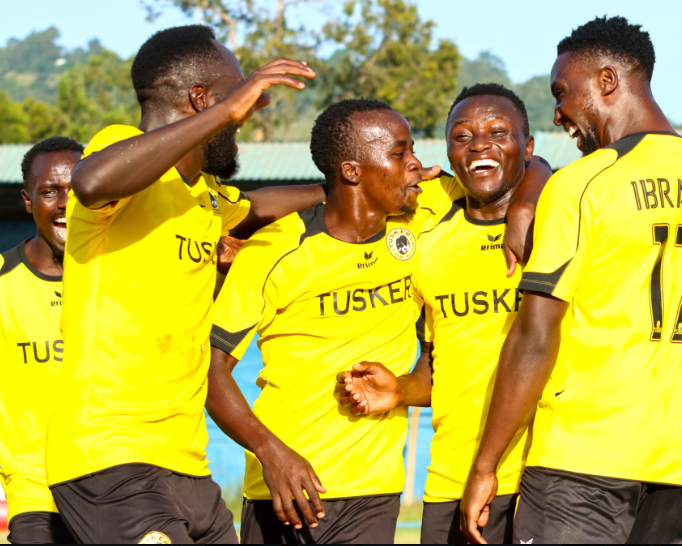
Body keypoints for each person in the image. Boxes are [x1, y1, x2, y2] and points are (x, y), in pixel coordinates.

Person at [206, 98, 549, 544]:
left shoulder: (423, 218)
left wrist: (523, 211)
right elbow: (210, 372)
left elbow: (531, 163)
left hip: (376, 492)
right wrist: (271, 453)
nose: (417, 166)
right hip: (286, 488)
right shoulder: (274, 252)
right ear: (352, 171)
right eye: (399, 153)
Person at [460, 16, 682, 544]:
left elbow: (535, 336)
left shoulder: (582, 184)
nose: (559, 111)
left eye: (563, 92)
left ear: (607, 81)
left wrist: (485, 465)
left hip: (579, 464)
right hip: (671, 466)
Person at [45, 25, 329, 544]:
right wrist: (225, 113)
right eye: (235, 92)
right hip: (112, 453)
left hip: (186, 462)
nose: (243, 116)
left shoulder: (206, 198)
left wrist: (349, 187)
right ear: (201, 99)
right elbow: (88, 182)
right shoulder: (115, 151)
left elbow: (258, 206)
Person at [336, 84, 549, 544]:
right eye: (461, 135)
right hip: (451, 480)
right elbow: (440, 367)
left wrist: (529, 201)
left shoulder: (559, 223)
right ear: (449, 154)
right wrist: (400, 389)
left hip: (544, 482)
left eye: (498, 131)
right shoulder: (430, 236)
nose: (478, 145)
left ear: (528, 147)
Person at [0, 137, 82, 544]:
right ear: (27, 200)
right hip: (37, 491)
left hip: (115, 484)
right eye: (50, 191)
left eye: (75, 190)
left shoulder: (118, 277)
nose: (64, 204)